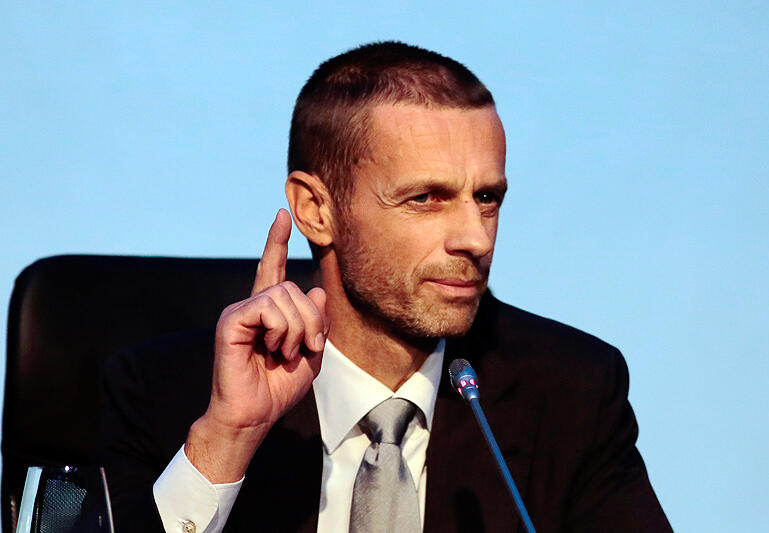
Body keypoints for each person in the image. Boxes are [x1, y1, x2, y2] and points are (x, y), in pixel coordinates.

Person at [100, 41, 672, 532]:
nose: (476, 238)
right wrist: (228, 439)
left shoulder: (571, 391)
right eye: (425, 198)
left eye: (486, 198)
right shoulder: (164, 394)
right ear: (316, 210)